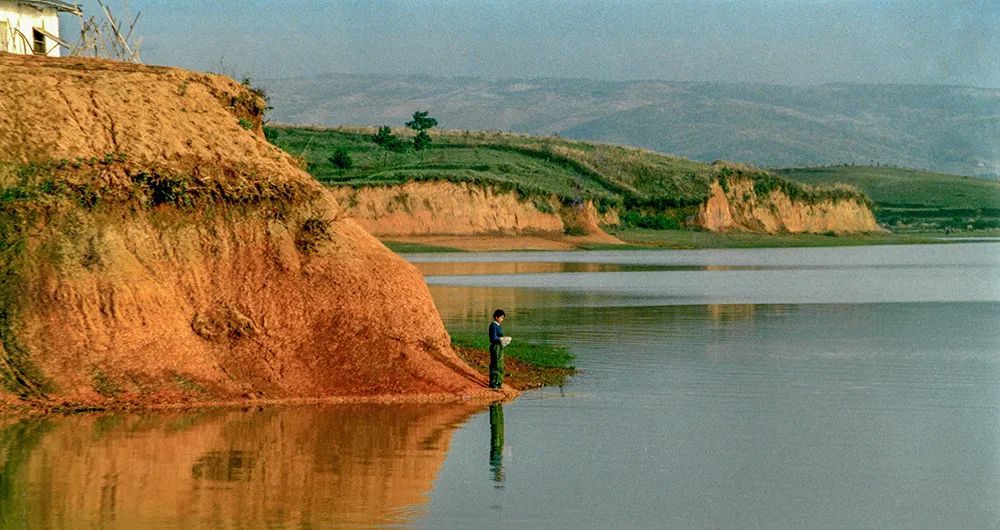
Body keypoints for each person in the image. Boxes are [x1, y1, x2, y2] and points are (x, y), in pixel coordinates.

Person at [488, 309, 506, 389]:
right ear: (496, 317)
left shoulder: (498, 326)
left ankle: (499, 382)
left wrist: (503, 339)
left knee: (500, 364)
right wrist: (500, 339)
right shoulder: (493, 325)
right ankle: (494, 384)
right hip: (496, 346)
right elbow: (493, 337)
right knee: (496, 364)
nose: (502, 320)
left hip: (499, 346)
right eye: (501, 318)